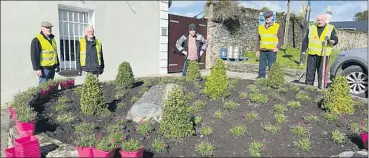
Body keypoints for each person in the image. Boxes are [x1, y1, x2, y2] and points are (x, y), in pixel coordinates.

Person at [302, 14, 338, 88]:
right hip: (312, 54)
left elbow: (335, 39)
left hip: (324, 55)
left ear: (325, 20)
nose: (319, 22)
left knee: (322, 73)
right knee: (310, 72)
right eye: (318, 20)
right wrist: (303, 50)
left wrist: (332, 41)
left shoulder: (330, 28)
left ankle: (321, 88)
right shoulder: (312, 27)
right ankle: (308, 88)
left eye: (321, 20)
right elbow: (306, 40)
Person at [256, 11, 284, 78]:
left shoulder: (277, 26)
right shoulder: (260, 27)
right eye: (266, 17)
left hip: (272, 50)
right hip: (262, 50)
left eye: (268, 17)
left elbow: (281, 38)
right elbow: (258, 39)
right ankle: (261, 78)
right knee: (261, 66)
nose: (267, 19)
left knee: (272, 66)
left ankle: (271, 79)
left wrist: (277, 47)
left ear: (272, 17)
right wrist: (257, 50)